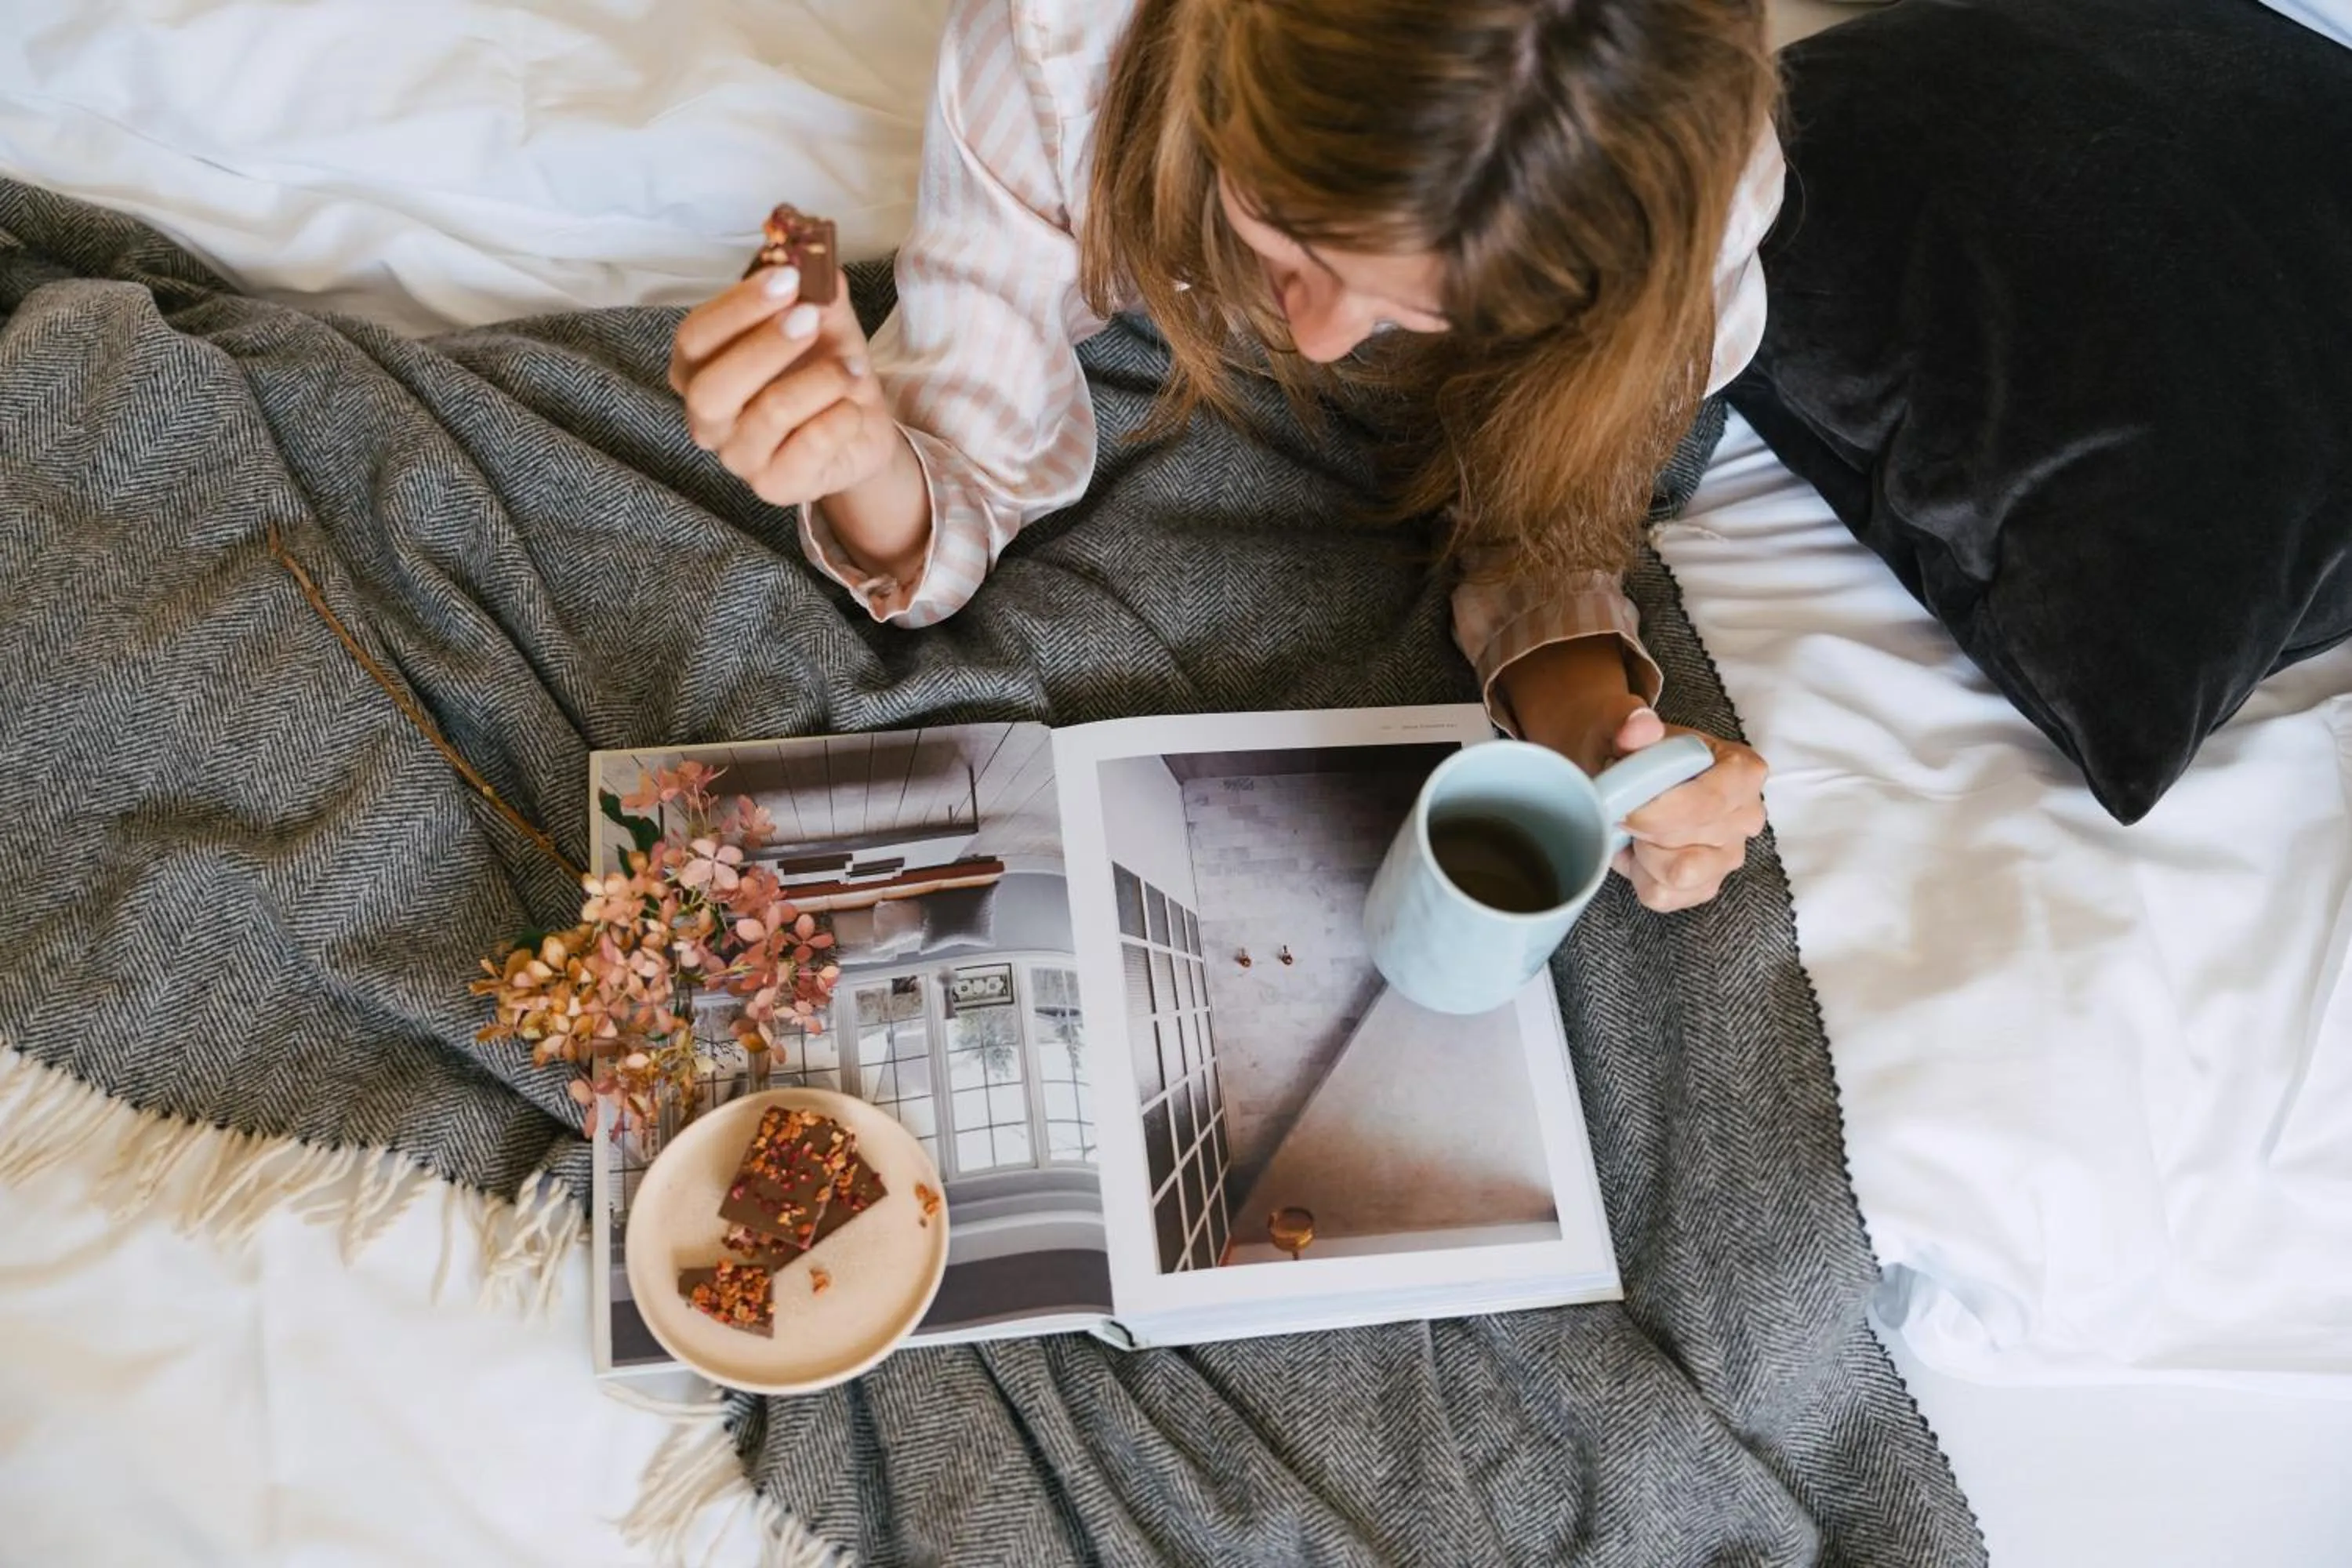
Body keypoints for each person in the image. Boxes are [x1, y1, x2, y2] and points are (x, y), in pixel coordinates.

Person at [670, 0, 1777, 912]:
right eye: (1281, 222)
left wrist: (1598, 749)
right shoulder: (1064, 58)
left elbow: (1550, 520)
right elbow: (966, 456)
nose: (1324, 341)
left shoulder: (1672, 214)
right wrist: (856, 459)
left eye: (1427, 307)